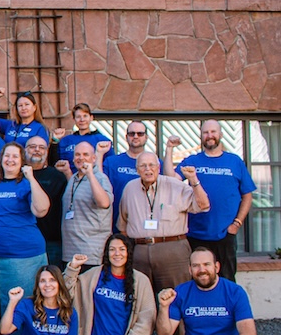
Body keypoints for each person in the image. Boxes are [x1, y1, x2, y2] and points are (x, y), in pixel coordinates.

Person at [149, 248, 257, 335]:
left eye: (206, 264)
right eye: (196, 266)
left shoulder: (234, 292)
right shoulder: (181, 291)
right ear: (190, 269)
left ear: (216, 267)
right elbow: (164, 334)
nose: (202, 270)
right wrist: (163, 307)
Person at [164, 120, 256, 282]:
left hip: (225, 234)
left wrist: (237, 223)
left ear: (220, 134)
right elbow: (171, 179)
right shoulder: (193, 161)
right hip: (196, 233)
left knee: (226, 279)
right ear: (201, 136)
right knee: (197, 279)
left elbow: (247, 196)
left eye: (213, 132)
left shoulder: (234, 161)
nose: (210, 136)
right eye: (206, 132)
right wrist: (169, 149)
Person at [64, 235, 155, 335]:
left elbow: (147, 320)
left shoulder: (140, 280)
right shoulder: (94, 275)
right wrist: (73, 267)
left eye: (121, 249)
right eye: (112, 249)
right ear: (106, 253)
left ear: (129, 253)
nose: (117, 254)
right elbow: (67, 292)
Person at [117, 152, 209, 297]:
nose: (148, 169)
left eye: (152, 165)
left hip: (172, 251)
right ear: (137, 169)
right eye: (143, 166)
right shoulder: (129, 188)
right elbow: (123, 225)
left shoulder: (175, 185)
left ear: (158, 167)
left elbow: (203, 205)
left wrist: (193, 180)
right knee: (141, 299)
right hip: (139, 252)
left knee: (176, 298)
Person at [0, 143, 50, 319]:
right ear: (1, 160)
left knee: (21, 304)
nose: (10, 160)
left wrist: (31, 179)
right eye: (7, 156)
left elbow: (41, 210)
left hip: (24, 257)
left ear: (22, 161)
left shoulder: (25, 185)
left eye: (15, 156)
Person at [60, 142, 114, 268]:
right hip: (69, 252)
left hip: (90, 253)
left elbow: (104, 203)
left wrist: (90, 174)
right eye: (77, 154)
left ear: (93, 158)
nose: (81, 158)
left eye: (85, 154)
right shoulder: (74, 178)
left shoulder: (100, 178)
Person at [25, 135, 66, 267]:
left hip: (51, 242)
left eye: (41, 147)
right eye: (32, 147)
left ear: (47, 152)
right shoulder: (17, 176)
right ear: (25, 150)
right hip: (23, 241)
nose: (37, 150)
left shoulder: (58, 177)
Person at [103, 121, 155, 222]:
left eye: (140, 134)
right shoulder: (112, 162)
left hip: (146, 224)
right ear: (126, 137)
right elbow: (100, 185)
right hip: (116, 222)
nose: (135, 136)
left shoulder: (156, 163)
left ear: (146, 137)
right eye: (132, 134)